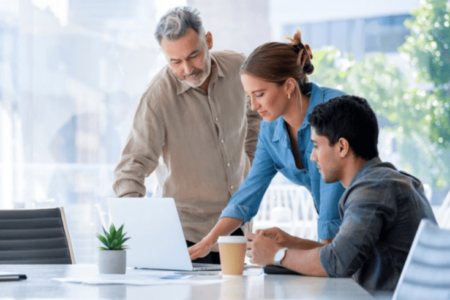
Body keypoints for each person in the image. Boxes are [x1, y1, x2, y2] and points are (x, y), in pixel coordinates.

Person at [113, 7, 261, 264]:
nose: (187, 69)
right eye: (175, 61)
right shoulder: (157, 98)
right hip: (185, 236)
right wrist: (140, 234)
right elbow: (130, 169)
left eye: (194, 55)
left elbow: (255, 113)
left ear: (209, 41)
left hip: (236, 228)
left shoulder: (239, 66)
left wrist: (249, 159)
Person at [246, 95, 437, 292]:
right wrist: (291, 243)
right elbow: (343, 254)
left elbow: (338, 262)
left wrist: (278, 255)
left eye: (317, 146)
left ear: (342, 147)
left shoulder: (373, 189)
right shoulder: (386, 181)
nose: (312, 157)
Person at [189, 30, 346, 261]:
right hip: (340, 242)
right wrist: (207, 242)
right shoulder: (271, 130)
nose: (253, 107)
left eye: (260, 94)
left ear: (289, 86)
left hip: (366, 227)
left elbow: (332, 208)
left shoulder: (333, 111)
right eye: (249, 96)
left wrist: (293, 253)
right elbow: (247, 195)